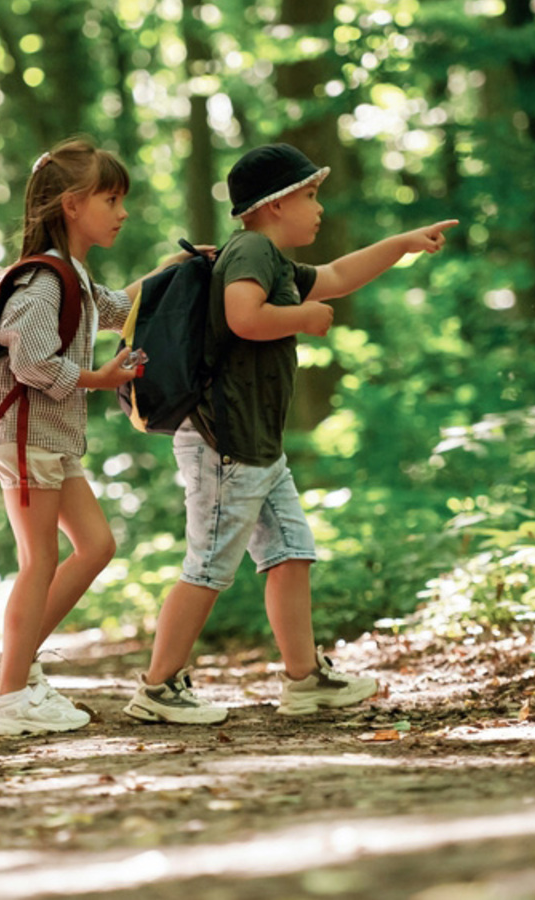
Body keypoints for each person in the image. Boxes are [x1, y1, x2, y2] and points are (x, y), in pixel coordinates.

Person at [124, 143, 458, 725]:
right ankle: (157, 688)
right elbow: (243, 317)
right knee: (207, 567)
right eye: (309, 195)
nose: (318, 207)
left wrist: (402, 244)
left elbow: (334, 276)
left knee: (290, 553)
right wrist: (303, 319)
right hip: (225, 443)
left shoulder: (271, 258)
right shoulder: (252, 249)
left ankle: (305, 681)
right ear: (275, 205)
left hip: (256, 447)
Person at [0, 137, 192, 735]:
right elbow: (31, 362)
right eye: (111, 199)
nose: (122, 212)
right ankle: (12, 698)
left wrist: (178, 272)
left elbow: (121, 310)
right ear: (72, 204)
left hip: (51, 440)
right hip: (26, 438)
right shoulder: (45, 282)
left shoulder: (75, 274)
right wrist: (99, 377)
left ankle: (7, 668)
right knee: (39, 560)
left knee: (95, 546)